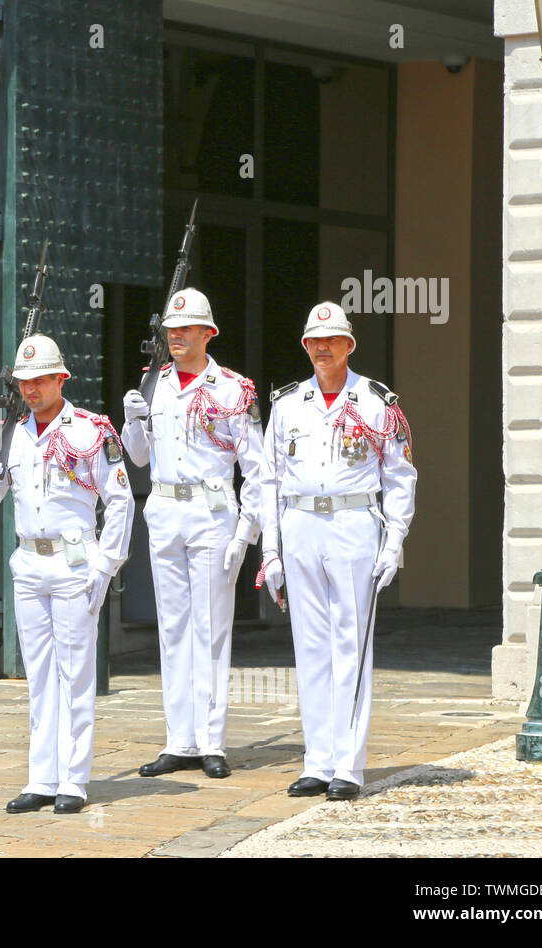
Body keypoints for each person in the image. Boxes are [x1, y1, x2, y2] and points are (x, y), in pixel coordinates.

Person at [0, 333, 134, 815]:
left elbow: (120, 500)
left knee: (75, 673)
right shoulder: (14, 433)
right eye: (25, 381)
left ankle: (74, 781)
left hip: (74, 563)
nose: (32, 389)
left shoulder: (91, 430)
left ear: (61, 378)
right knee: (39, 675)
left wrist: (106, 564)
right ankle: (41, 778)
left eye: (41, 379)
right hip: (28, 563)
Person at [259, 302, 416, 801]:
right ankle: (317, 760)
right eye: (313, 341)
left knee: (351, 643)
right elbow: (269, 480)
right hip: (300, 523)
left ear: (349, 345)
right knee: (310, 648)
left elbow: (400, 476)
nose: (322, 348)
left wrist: (394, 540)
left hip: (353, 523)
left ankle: (348, 765)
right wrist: (271, 549)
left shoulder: (376, 401)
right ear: (305, 346)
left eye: (332, 340)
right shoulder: (287, 403)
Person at [121, 288, 266, 781]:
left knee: (210, 628)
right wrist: (133, 421)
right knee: (173, 627)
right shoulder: (153, 383)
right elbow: (138, 457)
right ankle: (178, 739)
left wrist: (245, 533)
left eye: (186, 329)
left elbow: (258, 469)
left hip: (211, 512)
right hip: (164, 509)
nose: (177, 337)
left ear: (209, 333)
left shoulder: (231, 389)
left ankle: (211, 741)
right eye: (171, 330)